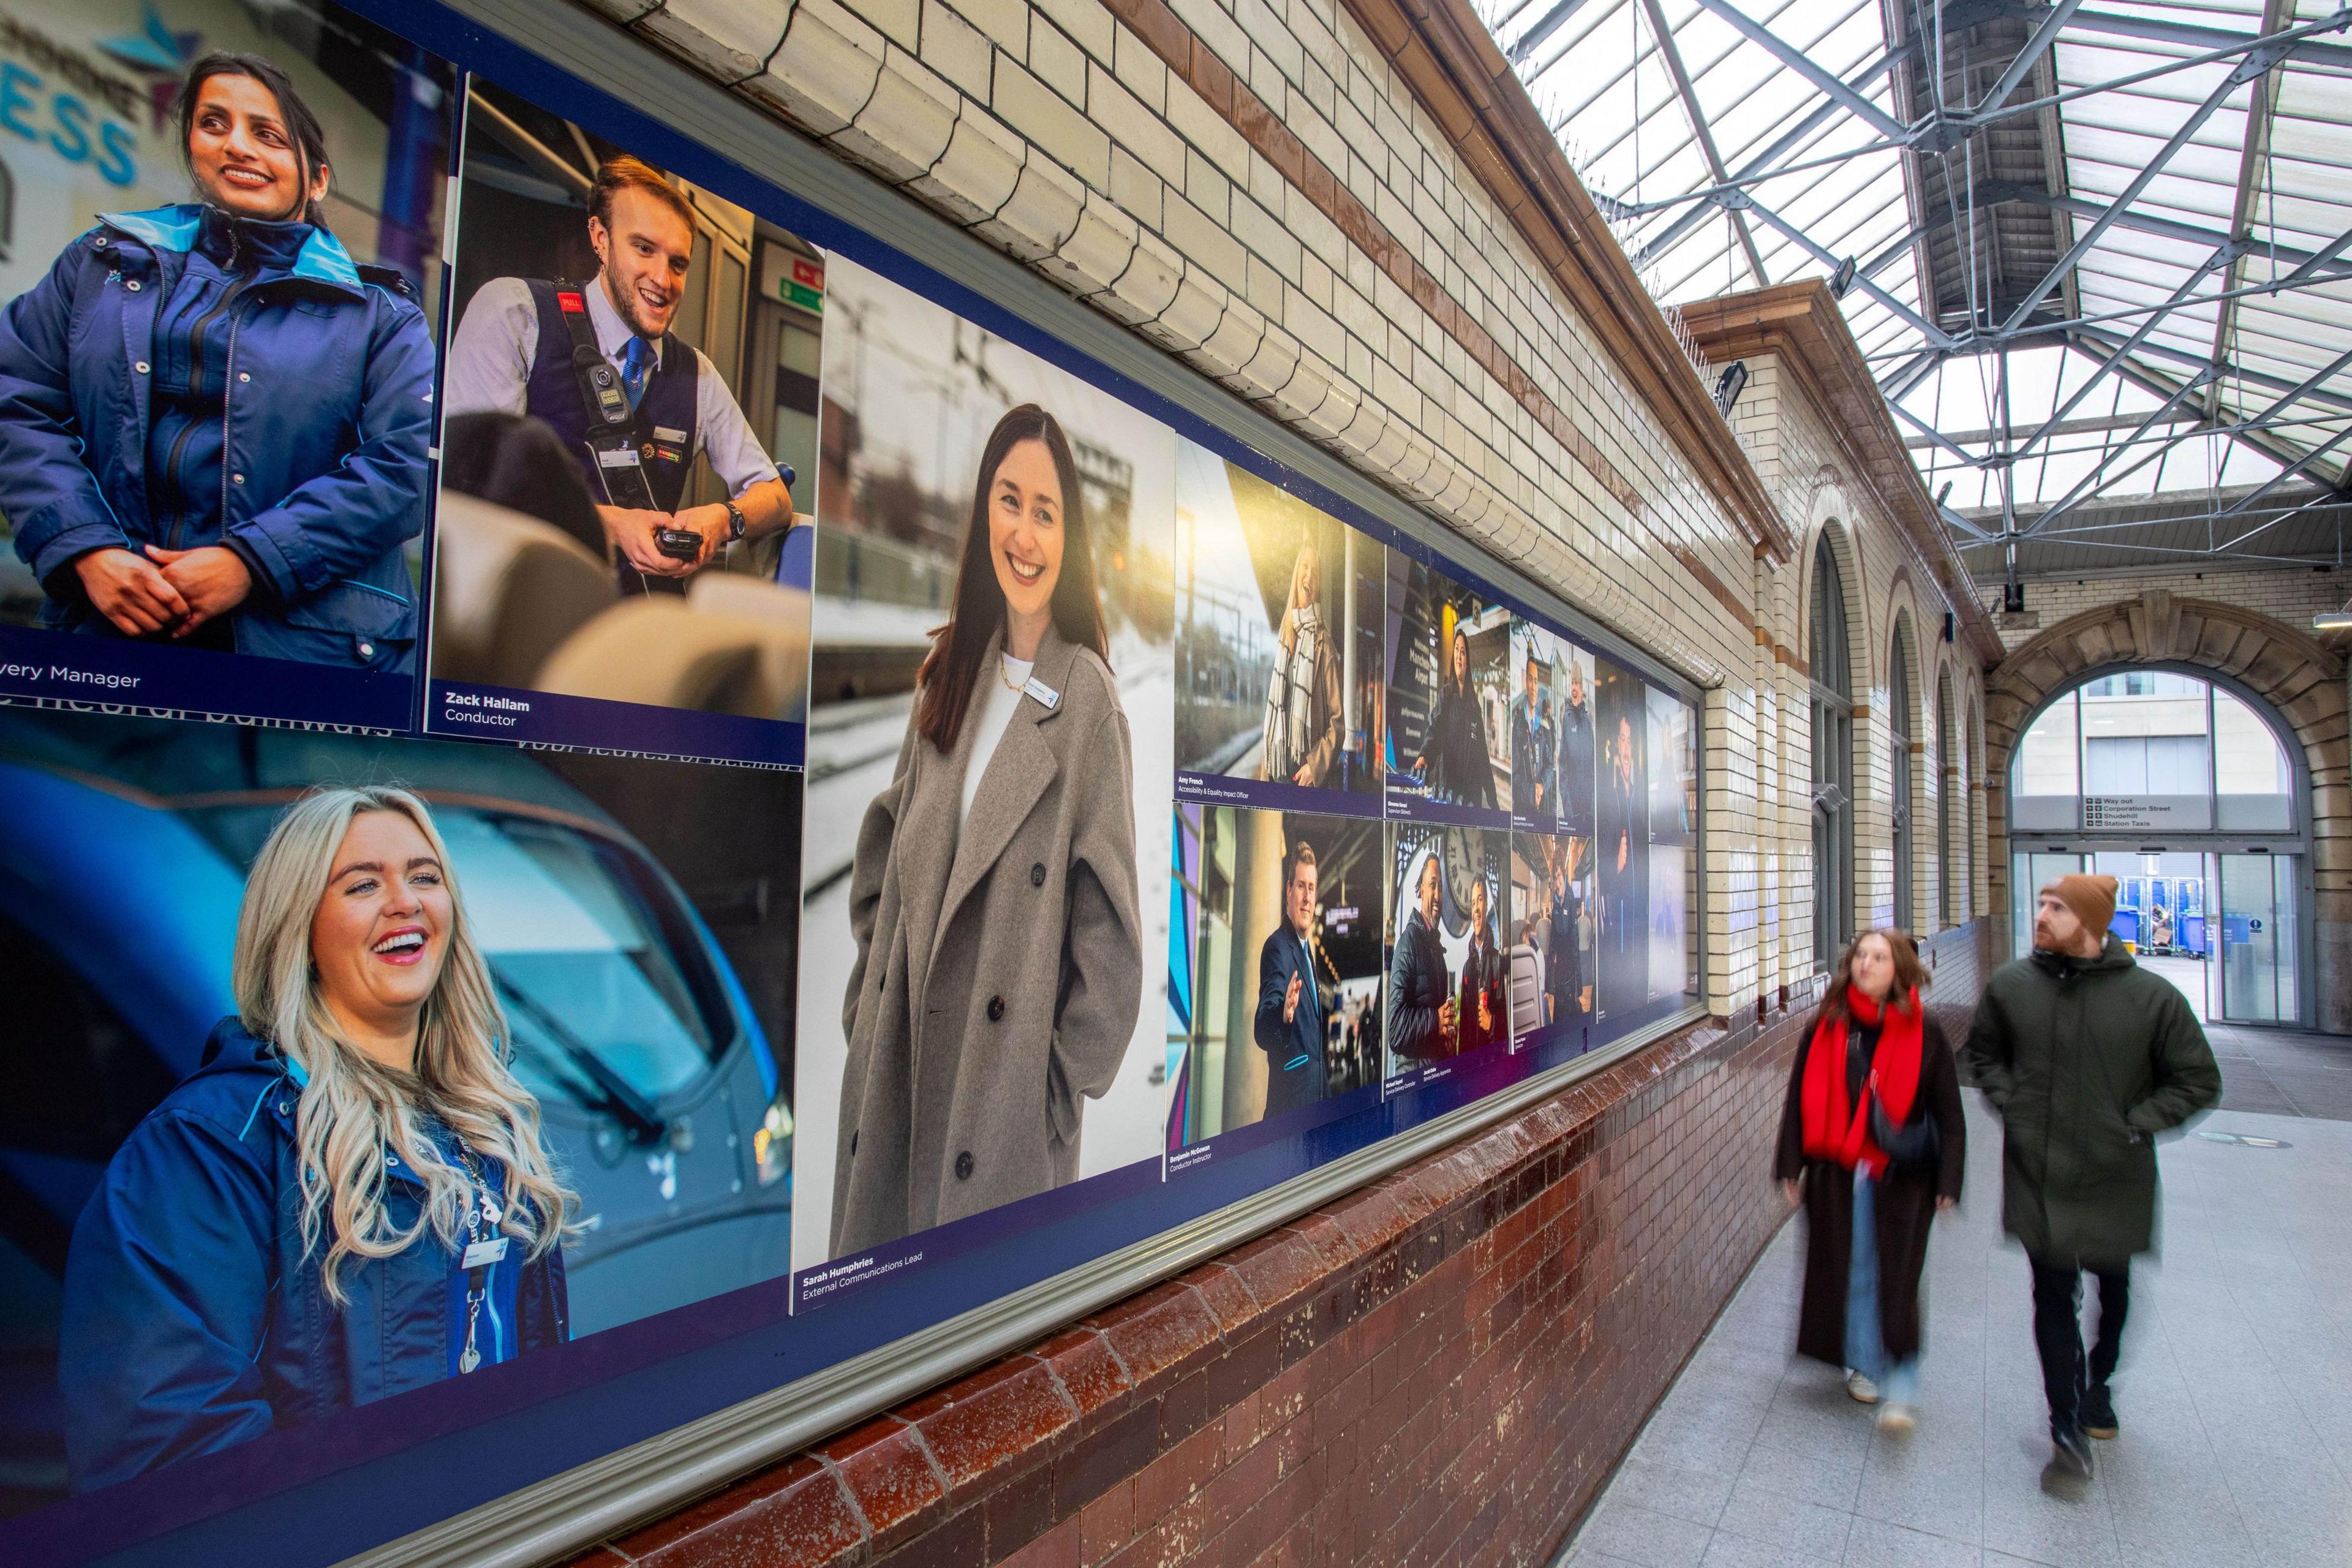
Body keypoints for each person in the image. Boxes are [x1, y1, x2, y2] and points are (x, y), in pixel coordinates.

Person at [58, 787, 575, 1491]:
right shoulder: (206, 1148)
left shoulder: (485, 1120)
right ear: (296, 929)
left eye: (425, 877)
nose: (405, 900)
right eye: (363, 884)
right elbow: (170, 1454)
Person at [0, 53, 435, 670]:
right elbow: (16, 402)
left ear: (315, 178)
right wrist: (85, 549)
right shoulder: (96, 264)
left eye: (268, 134)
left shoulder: (384, 315)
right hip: (107, 636)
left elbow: (406, 467)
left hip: (313, 658)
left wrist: (253, 563)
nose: (238, 146)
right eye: (213, 124)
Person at [832, 404, 1142, 1256]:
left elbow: (1110, 954)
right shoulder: (949, 674)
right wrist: (871, 1011)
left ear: (1069, 536)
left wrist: (1040, 1104)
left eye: (1047, 512)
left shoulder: (1088, 706)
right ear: (984, 512)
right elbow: (879, 865)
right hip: (894, 1091)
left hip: (996, 1134)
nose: (1026, 534)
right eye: (1011, 501)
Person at [442, 155, 795, 594]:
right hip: (526, 623)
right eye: (644, 249)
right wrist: (613, 526)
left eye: (679, 264)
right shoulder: (516, 313)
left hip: (642, 636)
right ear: (601, 239)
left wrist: (723, 520)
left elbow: (776, 497)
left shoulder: (696, 374)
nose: (663, 279)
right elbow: (471, 485)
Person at [1964, 874, 2220, 1477]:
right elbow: (1983, 1056)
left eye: (2059, 908)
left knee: (2114, 1288)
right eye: (2044, 904)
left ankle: (2098, 1380)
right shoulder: (2012, 987)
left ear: (2092, 922)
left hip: (2115, 1171)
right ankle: (2065, 1418)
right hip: (2040, 1170)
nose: (2043, 914)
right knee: (2053, 1295)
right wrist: (2015, 1104)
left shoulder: (2152, 999)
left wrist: (2137, 1123)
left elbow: (2198, 1080)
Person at [1775, 929, 1964, 1435]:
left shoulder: (1927, 1034)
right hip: (1840, 1171)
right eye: (1861, 955)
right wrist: (1789, 1164)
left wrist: (1950, 1179)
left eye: (1879, 957)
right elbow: (1798, 1098)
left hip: (1902, 1176)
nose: (1866, 964)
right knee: (1853, 1265)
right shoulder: (1828, 1026)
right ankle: (1863, 1359)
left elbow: (1949, 1112)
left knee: (1897, 1271)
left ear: (1900, 968)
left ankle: (1898, 1360)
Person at [1253, 839, 1329, 1117]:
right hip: (1289, 1118)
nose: (1307, 898)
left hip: (1315, 1112)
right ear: (1288, 890)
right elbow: (1262, 1027)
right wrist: (1283, 1016)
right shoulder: (1278, 948)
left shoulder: (1308, 955)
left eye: (1311, 888)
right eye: (1301, 886)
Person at [1260, 541, 1343, 788]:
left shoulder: (1323, 644)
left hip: (1301, 783)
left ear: (1317, 586)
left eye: (1316, 572)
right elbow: (1274, 713)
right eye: (1305, 567)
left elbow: (1338, 724)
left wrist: (1314, 767)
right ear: (1297, 575)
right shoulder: (1285, 637)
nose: (1310, 576)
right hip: (1276, 776)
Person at [1416, 624, 1498, 809]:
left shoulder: (1474, 706)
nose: (1459, 656)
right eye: (1457, 651)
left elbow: (1482, 754)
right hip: (1450, 792)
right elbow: (1434, 730)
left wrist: (1492, 798)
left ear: (1467, 661)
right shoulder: (1446, 696)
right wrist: (1425, 755)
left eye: (1463, 652)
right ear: (1453, 657)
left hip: (1471, 795)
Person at [1387, 853, 1457, 1061]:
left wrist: (1445, 1039)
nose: (1437, 894)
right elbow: (1395, 1031)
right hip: (1414, 1080)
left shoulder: (1435, 949)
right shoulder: (1408, 943)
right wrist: (1436, 1020)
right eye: (1432, 885)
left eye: (1441, 887)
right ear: (1421, 890)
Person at [1457, 876, 1507, 1053]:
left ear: (1486, 906)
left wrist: (1492, 1023)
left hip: (1494, 1061)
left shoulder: (1499, 961)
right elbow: (1463, 1029)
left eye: (1480, 900)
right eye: (1473, 903)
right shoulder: (1466, 969)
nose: (1476, 909)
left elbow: (1508, 1022)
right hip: (1471, 1064)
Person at [1510, 652, 1556, 817]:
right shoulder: (1517, 726)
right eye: (1530, 679)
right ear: (1525, 681)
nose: (1534, 686)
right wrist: (1532, 793)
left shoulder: (1541, 728)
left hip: (1542, 812)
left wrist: (1542, 786)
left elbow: (1551, 765)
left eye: (1536, 681)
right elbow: (1513, 777)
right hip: (1524, 814)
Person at [1556, 658, 1596, 835]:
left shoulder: (1588, 723)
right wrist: (1569, 815)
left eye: (1577, 682)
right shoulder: (1567, 720)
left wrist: (1593, 811)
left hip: (1589, 816)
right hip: (1573, 816)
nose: (1574, 687)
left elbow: (1594, 769)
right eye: (1572, 682)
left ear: (1582, 688)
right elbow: (1562, 770)